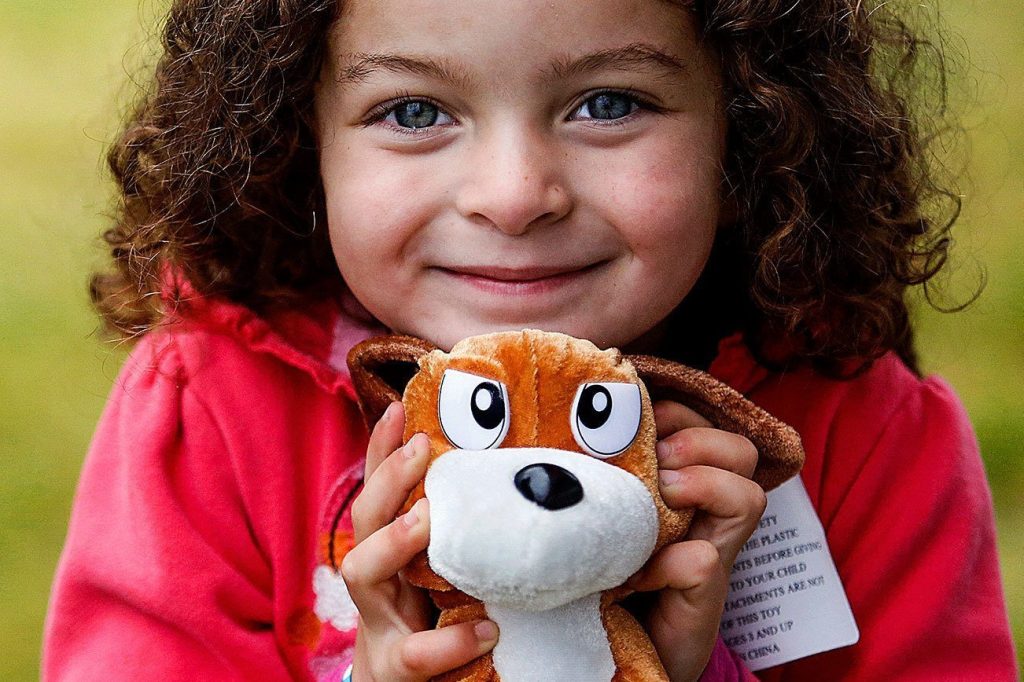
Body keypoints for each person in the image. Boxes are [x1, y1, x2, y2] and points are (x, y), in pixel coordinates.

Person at [44, 0, 1017, 680]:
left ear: (752, 130)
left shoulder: (857, 429)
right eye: (414, 111)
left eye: (609, 103)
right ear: (304, 147)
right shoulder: (213, 408)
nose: (513, 197)